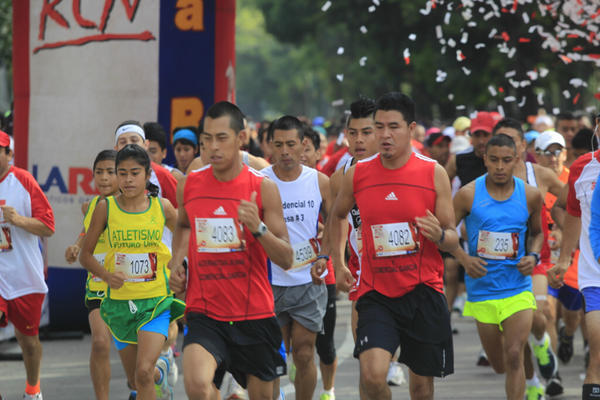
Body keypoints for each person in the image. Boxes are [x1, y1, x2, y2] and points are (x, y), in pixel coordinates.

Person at [323, 92, 458, 400]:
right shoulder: (357, 173)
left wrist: (439, 235)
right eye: (379, 126)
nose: (385, 134)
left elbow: (452, 236)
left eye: (393, 127)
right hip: (376, 292)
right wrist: (340, 262)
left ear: (411, 129)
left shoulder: (432, 173)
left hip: (423, 290)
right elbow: (338, 215)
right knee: (372, 377)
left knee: (421, 388)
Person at [167, 101, 293, 400]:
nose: (212, 146)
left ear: (241, 138)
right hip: (205, 313)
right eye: (206, 139)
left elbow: (287, 258)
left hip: (254, 314)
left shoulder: (263, 188)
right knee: (197, 386)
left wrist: (257, 228)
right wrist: (178, 262)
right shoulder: (190, 185)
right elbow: (183, 224)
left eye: (221, 138)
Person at [79, 144, 184, 400]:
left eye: (134, 173)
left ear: (147, 175)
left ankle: (156, 373)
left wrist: (178, 263)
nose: (127, 179)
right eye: (122, 173)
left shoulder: (162, 207)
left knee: (143, 371)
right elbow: (86, 254)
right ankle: (162, 374)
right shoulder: (106, 208)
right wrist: (106, 276)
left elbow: (186, 228)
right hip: (119, 305)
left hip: (154, 301)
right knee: (135, 379)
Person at [452, 133, 543, 400]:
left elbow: (537, 233)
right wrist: (464, 258)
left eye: (506, 160)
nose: (500, 167)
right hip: (483, 291)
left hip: (517, 287)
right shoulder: (468, 195)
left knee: (513, 354)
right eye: (494, 160)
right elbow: (446, 232)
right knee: (499, 363)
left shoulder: (530, 195)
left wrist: (534, 256)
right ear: (485, 159)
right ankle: (525, 355)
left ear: (517, 159)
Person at [492, 118, 565, 397]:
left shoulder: (540, 175)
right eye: (498, 141)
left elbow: (566, 202)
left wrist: (558, 227)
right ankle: (533, 382)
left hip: (535, 260)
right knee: (511, 340)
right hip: (498, 265)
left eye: (510, 141)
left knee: (539, 313)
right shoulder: (483, 182)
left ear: (523, 146)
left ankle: (541, 341)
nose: (504, 147)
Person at [261, 115, 332, 400]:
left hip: (308, 280)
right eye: (279, 145)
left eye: (291, 144)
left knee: (304, 353)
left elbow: (336, 221)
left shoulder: (318, 180)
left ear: (304, 144)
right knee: (273, 359)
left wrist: (325, 256)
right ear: (270, 146)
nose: (285, 151)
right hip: (270, 281)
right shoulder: (260, 180)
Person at [548, 113, 600, 400]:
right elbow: (573, 213)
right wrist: (565, 258)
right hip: (596, 278)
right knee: (598, 357)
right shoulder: (582, 168)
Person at [0, 129, 55, 400]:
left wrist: (19, 220)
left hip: (23, 275)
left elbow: (48, 227)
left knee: (28, 341)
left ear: (9, 155)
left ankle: (33, 390)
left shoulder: (23, 181)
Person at [64, 150, 119, 400]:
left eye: (110, 172)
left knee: (138, 361)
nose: (104, 178)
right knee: (99, 343)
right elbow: (87, 233)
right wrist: (76, 246)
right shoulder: (91, 205)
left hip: (131, 288)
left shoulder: (137, 206)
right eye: (99, 172)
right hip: (98, 285)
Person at [534, 131, 583, 368]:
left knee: (572, 313)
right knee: (548, 312)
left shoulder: (574, 177)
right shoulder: (531, 181)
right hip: (543, 257)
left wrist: (565, 231)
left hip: (572, 256)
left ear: (565, 153)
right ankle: (552, 374)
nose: (553, 157)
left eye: (558, 151)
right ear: (537, 155)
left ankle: (568, 334)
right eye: (547, 152)